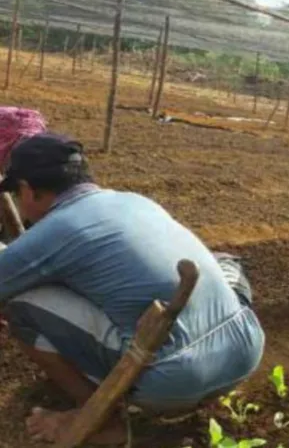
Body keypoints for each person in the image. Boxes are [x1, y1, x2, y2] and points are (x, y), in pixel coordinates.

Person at [0, 133, 265, 445]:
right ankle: (211, 386)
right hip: (245, 352)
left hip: (171, 381)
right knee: (222, 262)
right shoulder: (135, 201)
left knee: (20, 303)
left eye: (17, 195)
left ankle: (102, 421)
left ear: (28, 190)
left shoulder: (58, 229)